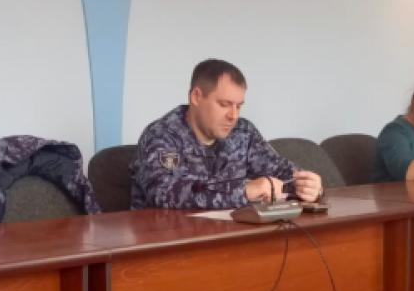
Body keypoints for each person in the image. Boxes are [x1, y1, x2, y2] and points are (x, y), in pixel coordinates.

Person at [130, 58, 323, 209]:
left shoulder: (243, 132)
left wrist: (307, 186)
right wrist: (245, 191)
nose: (233, 116)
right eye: (224, 104)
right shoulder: (162, 135)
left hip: (231, 236)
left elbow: (281, 172)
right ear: (196, 97)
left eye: (239, 106)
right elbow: (164, 193)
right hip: (170, 240)